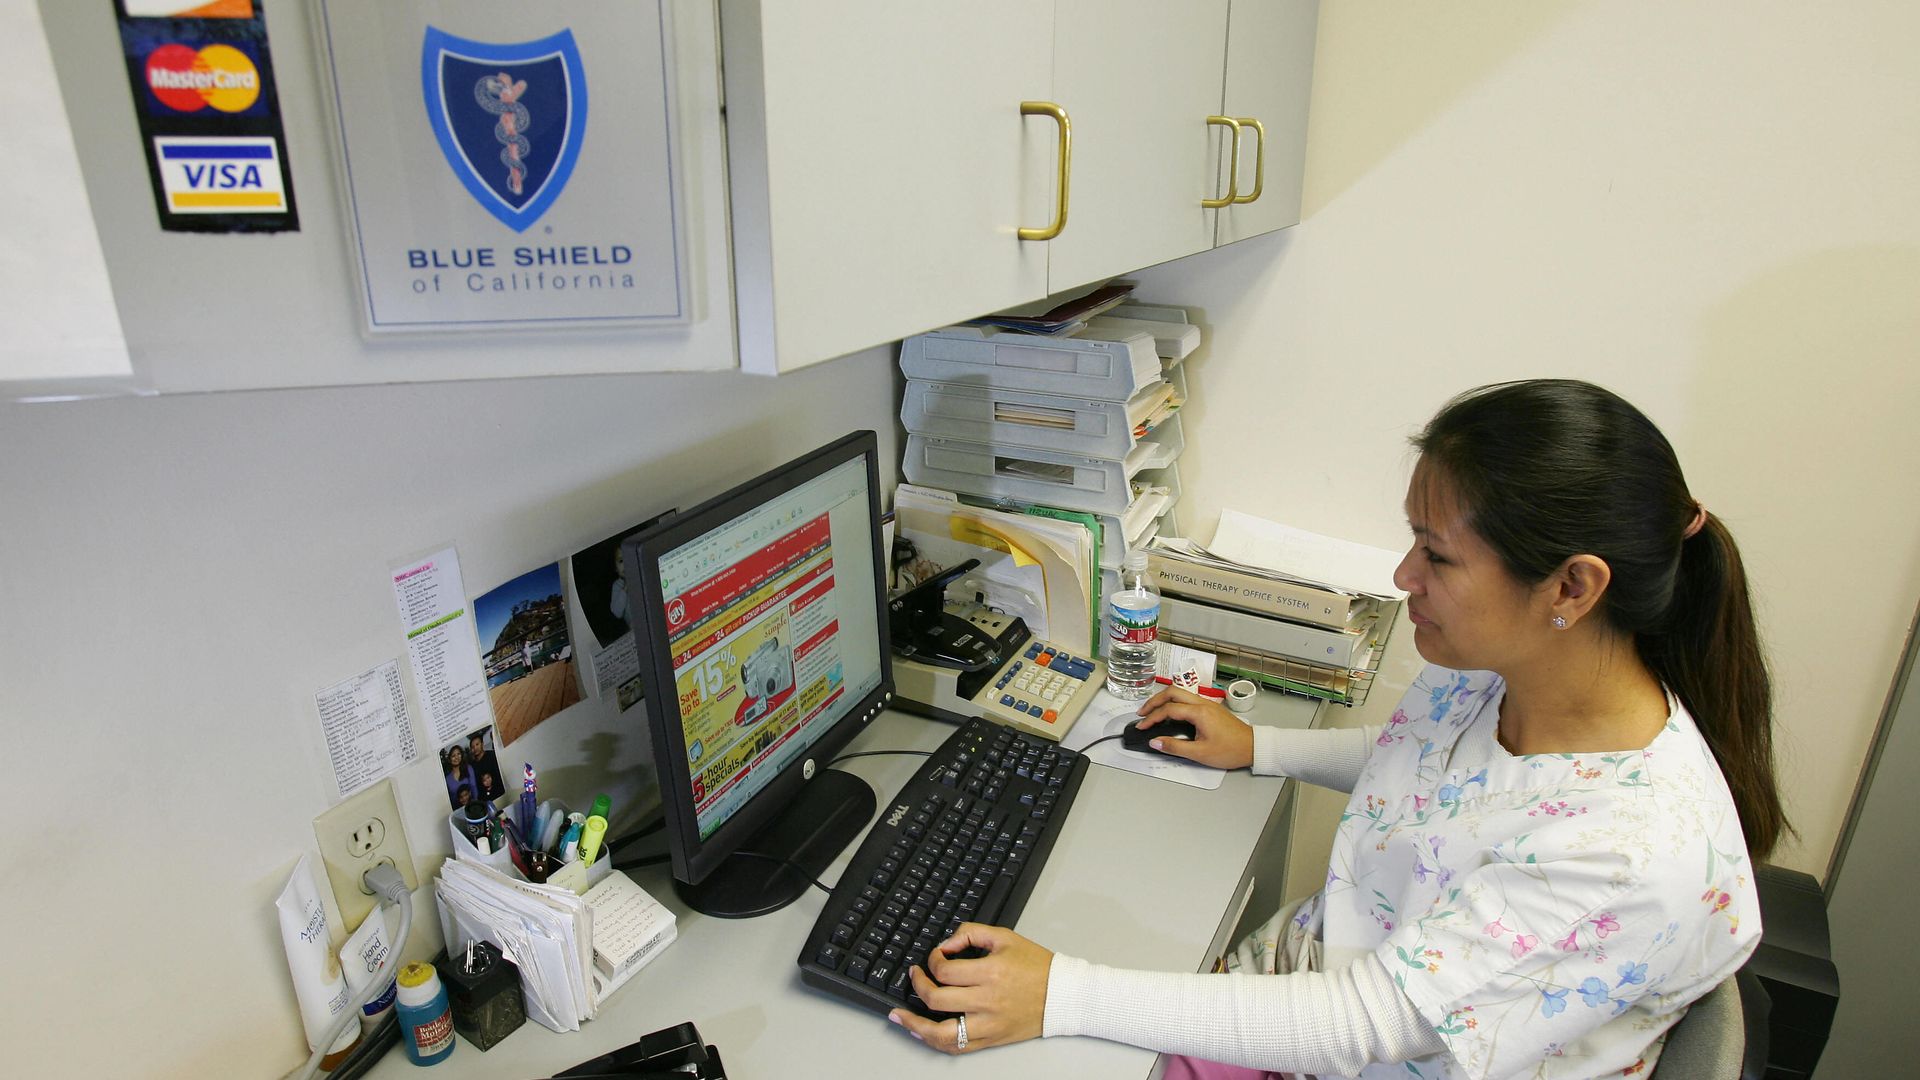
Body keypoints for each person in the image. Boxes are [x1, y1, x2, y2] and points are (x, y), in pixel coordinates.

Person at [888, 380, 1787, 1079]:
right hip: (1325, 978)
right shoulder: (1516, 672)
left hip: (1366, 1040)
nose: (1403, 576)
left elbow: (1365, 1023)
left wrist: (1065, 994)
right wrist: (1261, 748)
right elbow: (1435, 767)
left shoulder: (1627, 856)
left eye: (1438, 556)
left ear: (1572, 587)